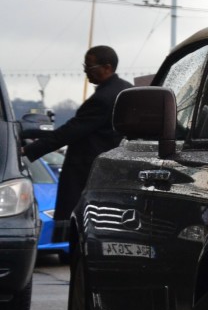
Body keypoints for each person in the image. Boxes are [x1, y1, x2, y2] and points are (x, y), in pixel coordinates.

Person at [23, 45, 131, 242]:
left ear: (107, 67)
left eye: (90, 66)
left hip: (87, 174)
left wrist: (28, 149)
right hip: (113, 175)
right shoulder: (125, 90)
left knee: (80, 234)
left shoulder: (102, 99)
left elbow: (71, 132)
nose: (85, 71)